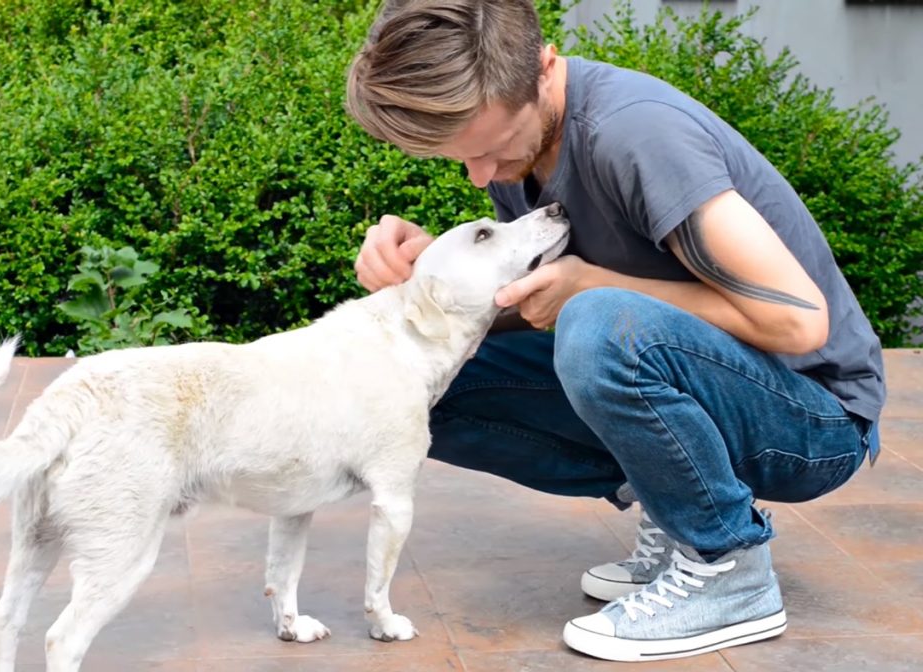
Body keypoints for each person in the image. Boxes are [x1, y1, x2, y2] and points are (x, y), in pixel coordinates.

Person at [345, 0, 885, 662]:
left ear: (543, 69)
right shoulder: (532, 135)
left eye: (489, 151)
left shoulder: (634, 134)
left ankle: (729, 568)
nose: (480, 175)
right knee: (416, 383)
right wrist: (429, 275)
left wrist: (595, 288)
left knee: (603, 322)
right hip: (714, 379)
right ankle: (673, 498)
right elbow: (547, 296)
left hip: (815, 422)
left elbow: (799, 322)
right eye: (461, 157)